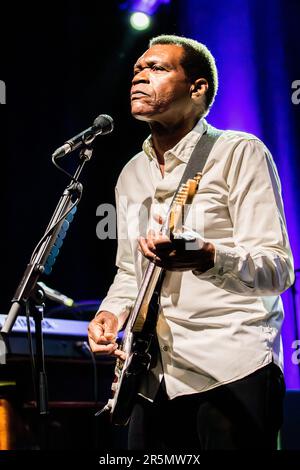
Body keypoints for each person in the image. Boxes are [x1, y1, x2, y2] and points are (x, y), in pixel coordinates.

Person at [88, 35, 294, 450]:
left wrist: (207, 256)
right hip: (153, 376)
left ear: (197, 88)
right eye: (137, 71)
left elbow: (278, 268)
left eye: (157, 69)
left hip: (232, 367)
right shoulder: (131, 173)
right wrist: (111, 312)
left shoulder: (238, 152)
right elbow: (131, 270)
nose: (139, 77)